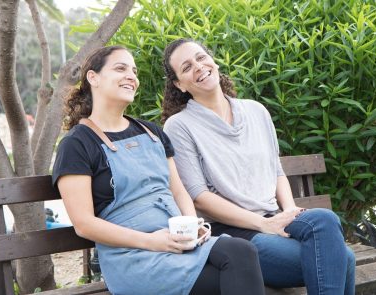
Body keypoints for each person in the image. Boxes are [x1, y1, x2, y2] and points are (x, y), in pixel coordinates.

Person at [52, 45, 265, 295]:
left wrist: (192, 224)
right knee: (236, 271)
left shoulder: (151, 132)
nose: (131, 76)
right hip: (133, 257)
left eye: (134, 70)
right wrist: (151, 241)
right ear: (93, 77)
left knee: (240, 251)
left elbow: (178, 192)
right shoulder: (77, 144)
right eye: (120, 68)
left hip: (176, 244)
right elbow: (84, 224)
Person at [162, 38, 356, 295]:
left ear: (214, 61)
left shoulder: (257, 111)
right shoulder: (179, 126)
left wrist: (289, 211)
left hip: (274, 218)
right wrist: (264, 224)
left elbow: (276, 171)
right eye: (186, 67)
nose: (198, 67)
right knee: (345, 260)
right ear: (179, 84)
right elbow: (199, 198)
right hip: (233, 234)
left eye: (200, 57)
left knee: (324, 219)